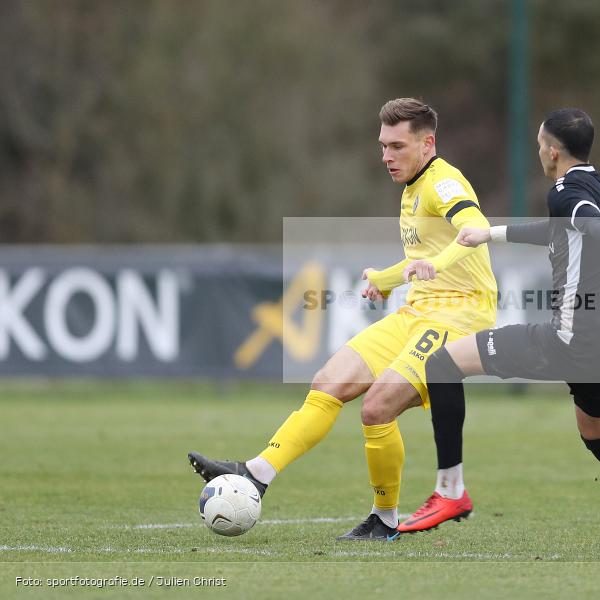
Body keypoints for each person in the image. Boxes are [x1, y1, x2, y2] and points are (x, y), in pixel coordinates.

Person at [392, 108, 600, 556]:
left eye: (540, 145)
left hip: (572, 339)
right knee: (599, 436)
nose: (539, 152)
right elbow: (568, 229)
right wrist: (490, 235)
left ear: (552, 151)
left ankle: (451, 491)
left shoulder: (565, 188)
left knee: (442, 363)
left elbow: (586, 222)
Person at [188, 98, 497, 540]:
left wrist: (437, 264)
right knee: (327, 381)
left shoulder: (442, 182)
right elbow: (422, 257)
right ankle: (255, 473)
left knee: (376, 408)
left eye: (397, 146)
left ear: (428, 144)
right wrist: (388, 278)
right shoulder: (413, 185)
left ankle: (384, 519)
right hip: (418, 311)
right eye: (382, 146)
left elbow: (474, 226)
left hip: (460, 317)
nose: (387, 156)